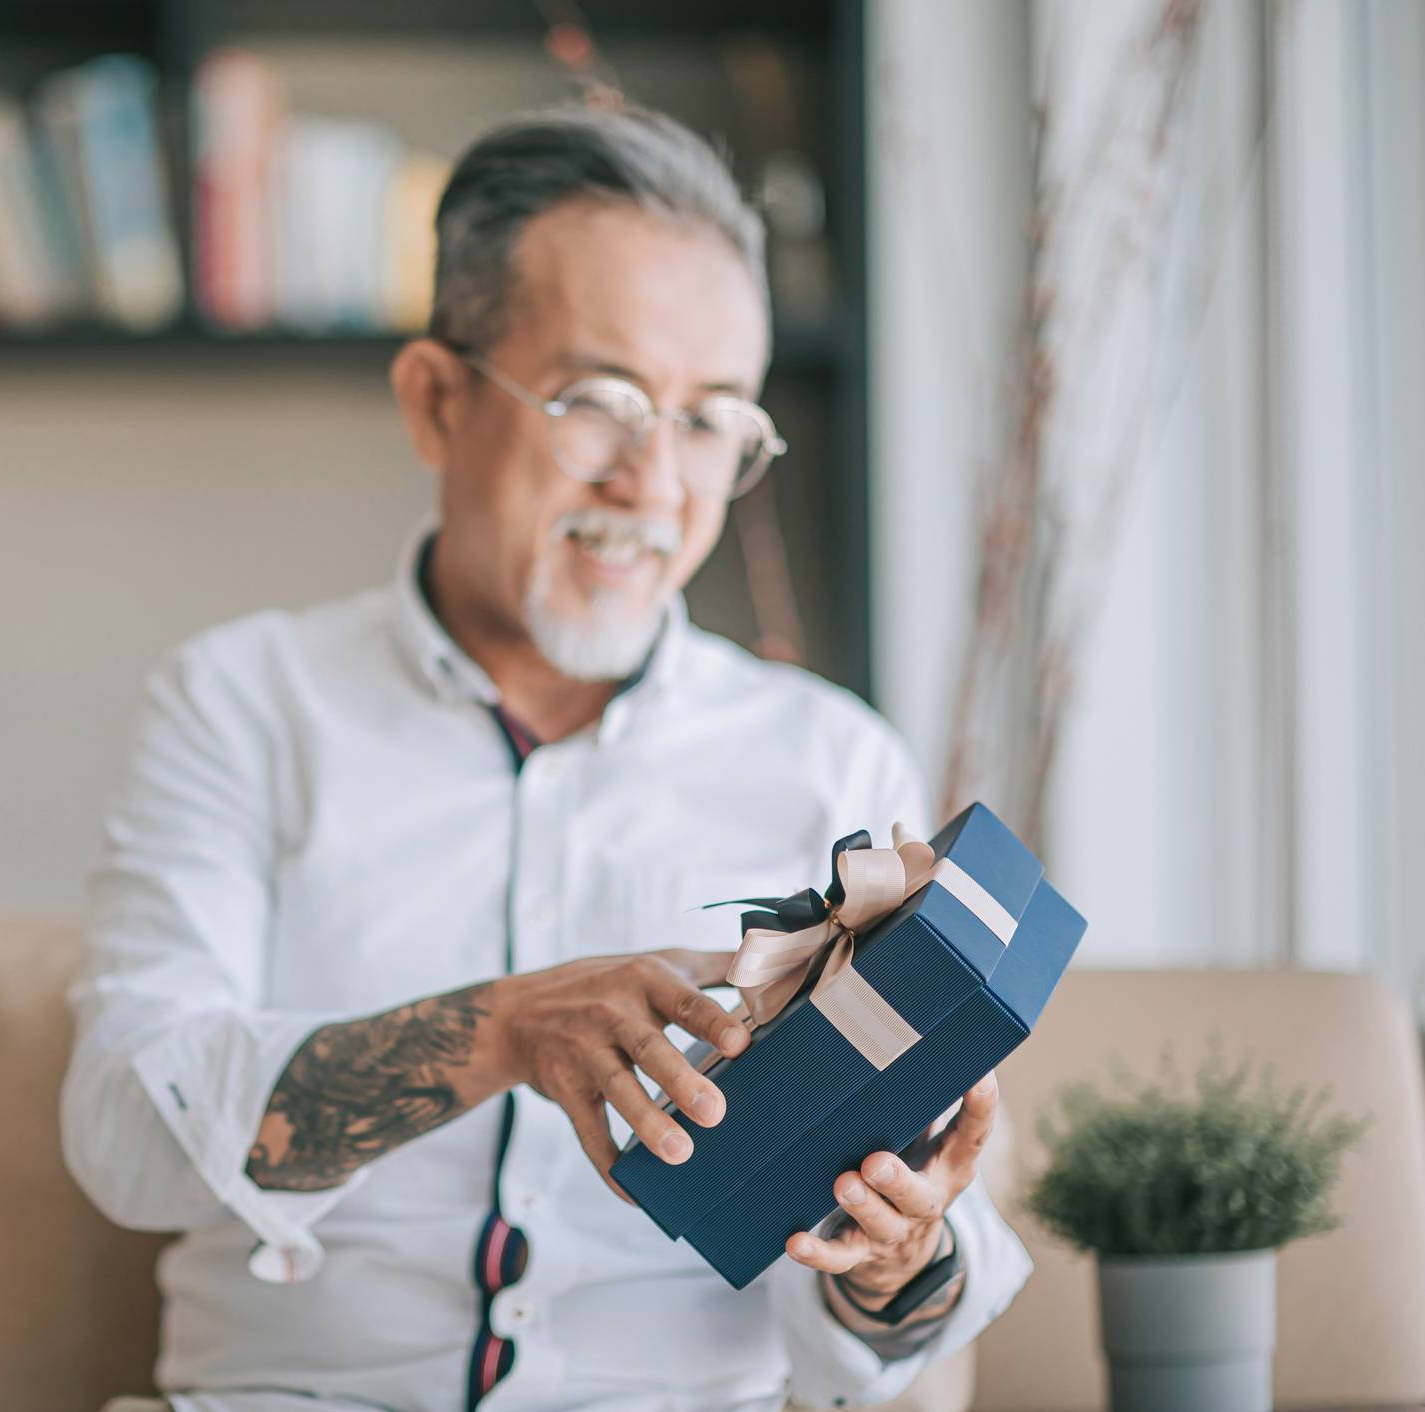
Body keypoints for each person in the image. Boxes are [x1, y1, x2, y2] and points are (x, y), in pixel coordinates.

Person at [63, 102, 1032, 1412]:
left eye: (708, 421)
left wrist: (895, 1259)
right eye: (598, 401)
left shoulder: (824, 757)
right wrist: (501, 1027)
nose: (654, 481)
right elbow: (129, 1134)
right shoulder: (241, 704)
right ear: (435, 400)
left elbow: (875, 1334)